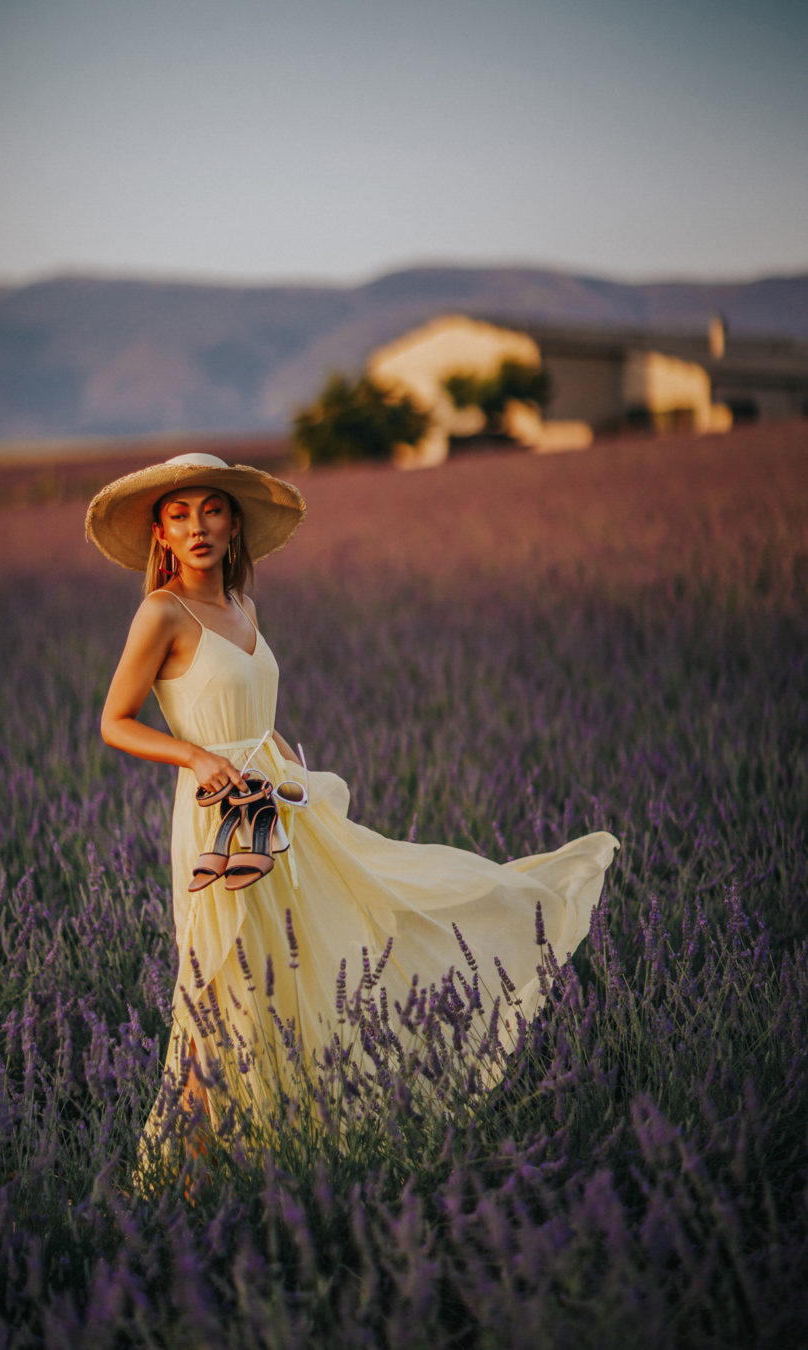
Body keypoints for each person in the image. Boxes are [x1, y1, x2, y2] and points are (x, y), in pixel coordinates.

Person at [86, 451, 618, 1153]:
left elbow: (249, 707)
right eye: (179, 516)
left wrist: (282, 761)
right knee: (219, 992)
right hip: (218, 817)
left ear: (233, 523)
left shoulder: (243, 605)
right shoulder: (162, 611)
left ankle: (278, 1145)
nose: (197, 528)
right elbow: (113, 720)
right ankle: (175, 1184)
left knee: (305, 962)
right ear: (160, 534)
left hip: (273, 803)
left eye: (211, 509)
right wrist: (196, 754)